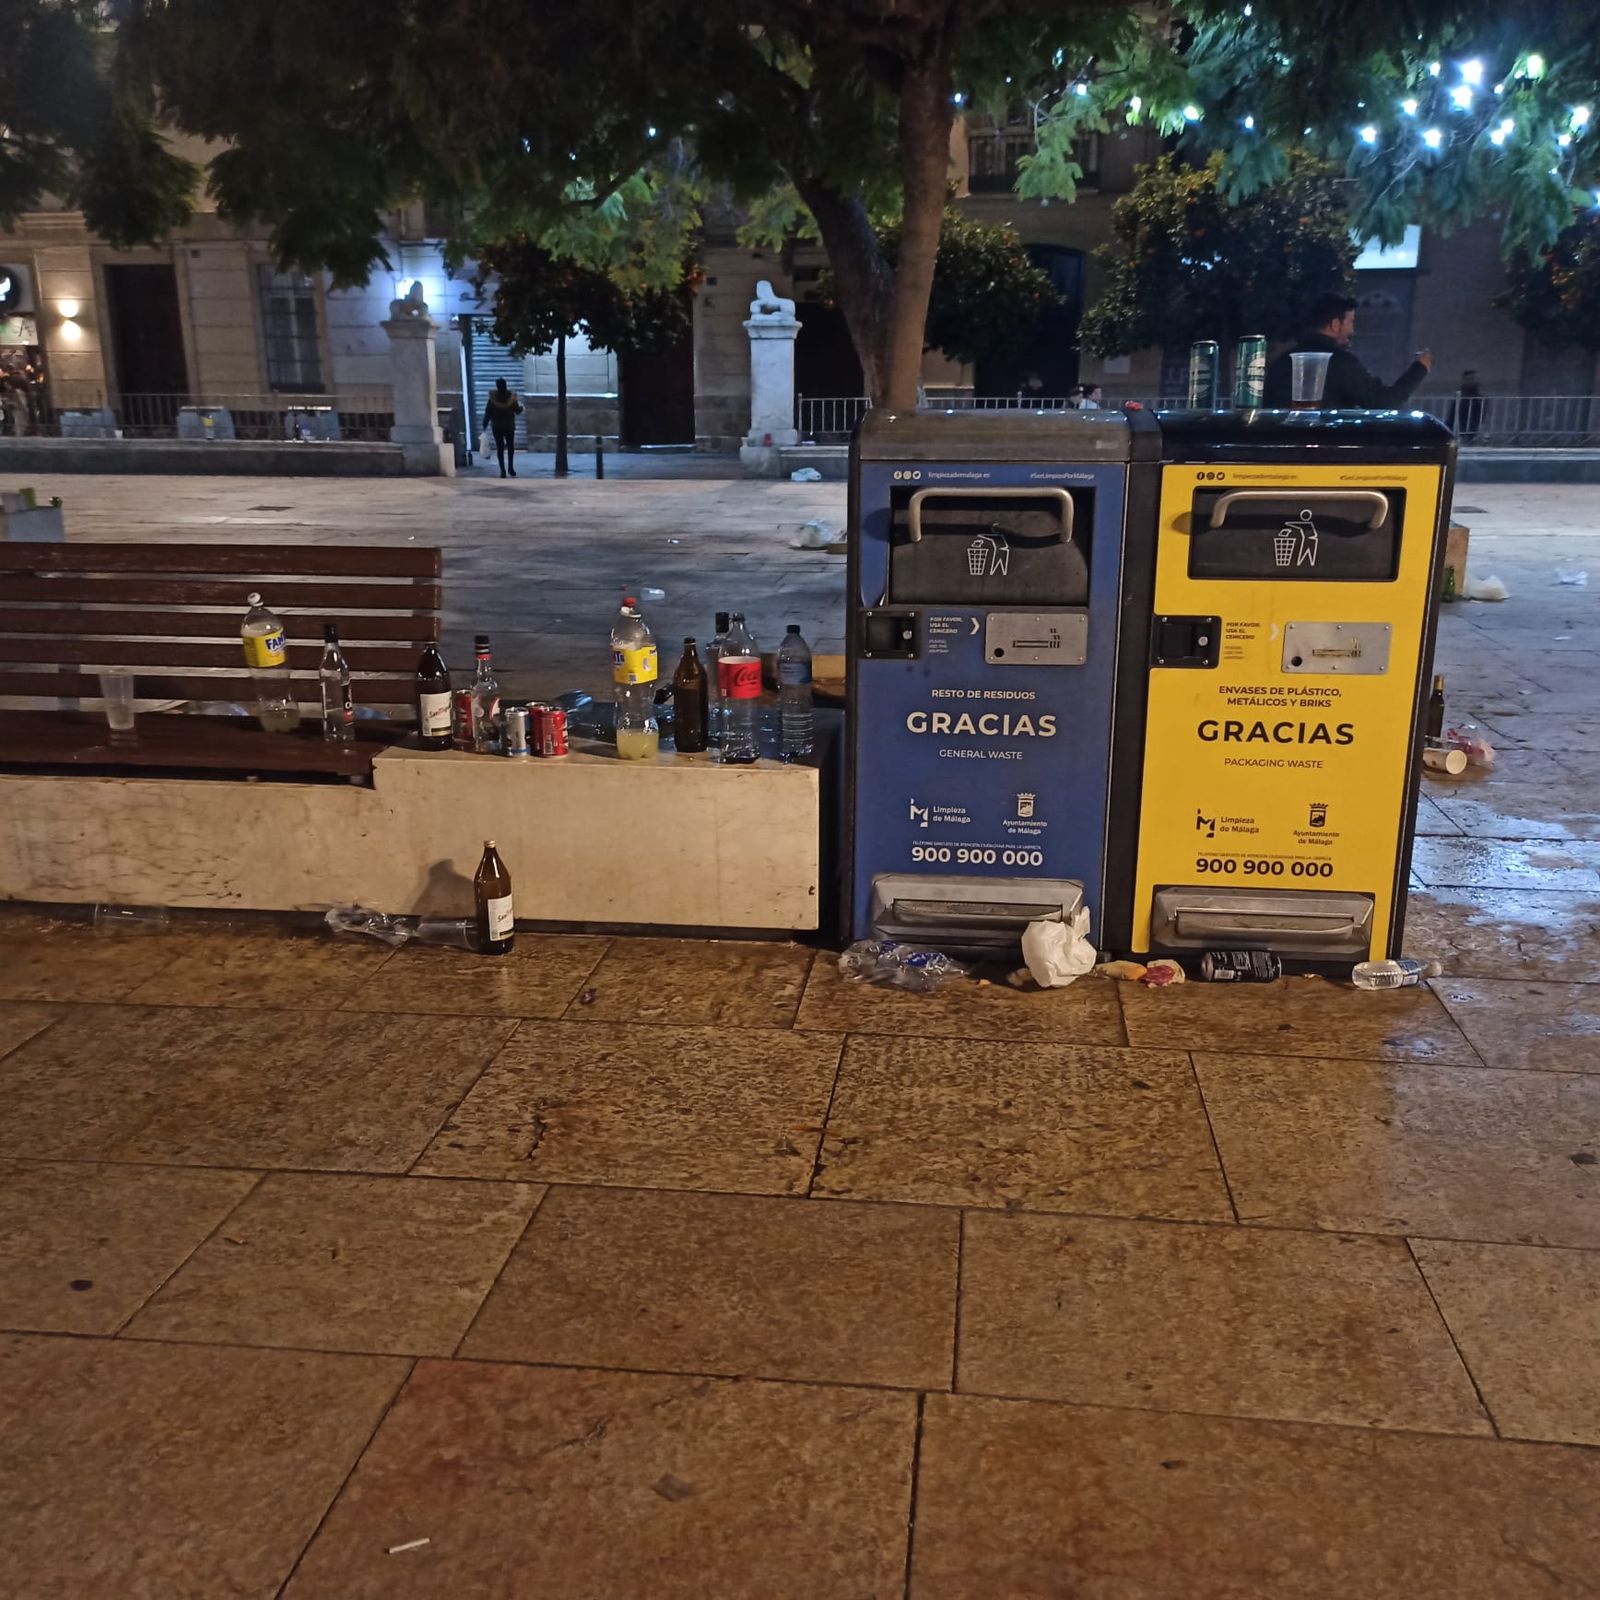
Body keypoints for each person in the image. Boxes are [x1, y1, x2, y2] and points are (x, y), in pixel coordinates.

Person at [1263, 293, 1432, 409]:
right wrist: (1419, 368)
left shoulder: (1281, 362)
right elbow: (1382, 401)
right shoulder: (1340, 362)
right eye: (1350, 322)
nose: (1352, 330)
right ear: (1335, 324)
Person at [482, 378, 524, 477]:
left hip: (497, 426)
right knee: (510, 447)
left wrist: (485, 423)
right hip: (509, 426)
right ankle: (511, 468)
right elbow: (517, 411)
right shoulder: (511, 398)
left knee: (500, 448)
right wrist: (521, 407)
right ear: (505, 385)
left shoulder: (492, 399)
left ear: (497, 386)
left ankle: (502, 471)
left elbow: (488, 413)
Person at [1450, 368, 1484, 442]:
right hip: (1462, 429)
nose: (1474, 381)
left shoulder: (1479, 397)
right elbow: (1453, 415)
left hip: (1471, 429)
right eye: (1471, 379)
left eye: (1476, 379)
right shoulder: (1461, 397)